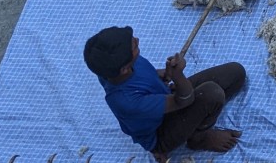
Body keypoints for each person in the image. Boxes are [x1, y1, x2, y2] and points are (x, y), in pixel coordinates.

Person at [83, 26, 246, 161]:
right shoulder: (128, 102)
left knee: (236, 73)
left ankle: (200, 115)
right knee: (212, 93)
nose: (137, 40)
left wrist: (164, 75)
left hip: (163, 97)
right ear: (124, 68)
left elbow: (144, 74)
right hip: (161, 132)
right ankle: (199, 138)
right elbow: (185, 100)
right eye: (134, 46)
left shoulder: (110, 69)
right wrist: (178, 75)